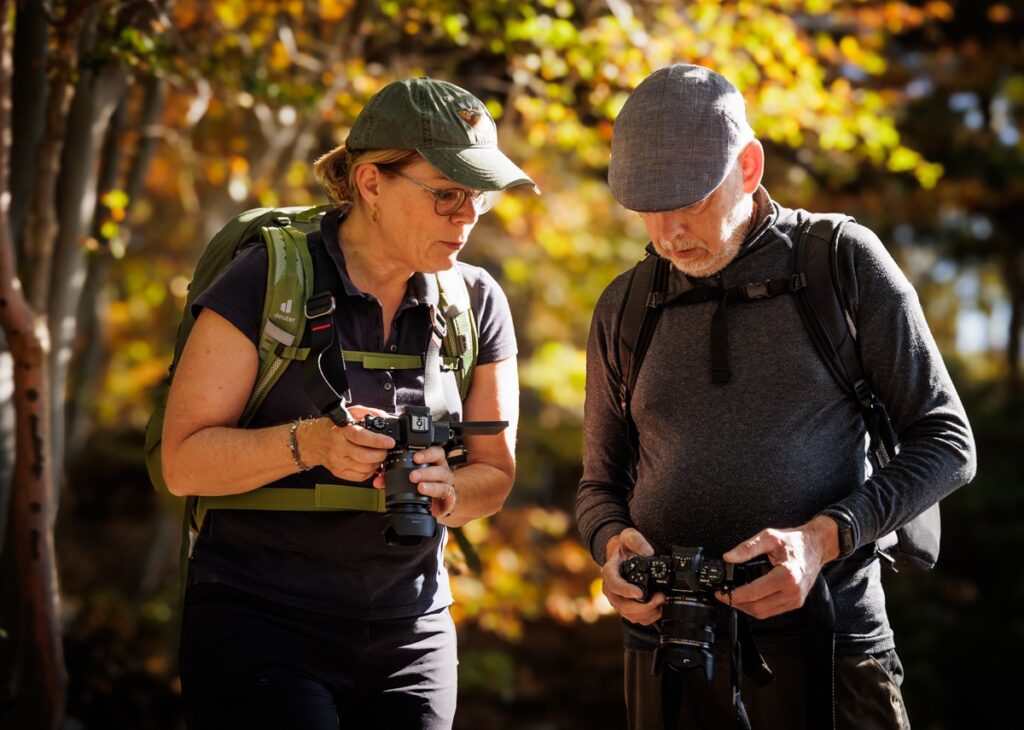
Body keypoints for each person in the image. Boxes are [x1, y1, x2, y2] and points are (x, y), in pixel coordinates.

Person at [575, 64, 976, 730]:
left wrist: (821, 541)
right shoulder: (624, 305)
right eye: (648, 206)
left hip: (832, 650)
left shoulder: (842, 263)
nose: (668, 231)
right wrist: (611, 546)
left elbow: (948, 442)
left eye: (690, 199)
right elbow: (598, 486)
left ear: (750, 166)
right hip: (669, 660)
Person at [161, 77, 534, 730]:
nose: (466, 215)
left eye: (476, 196)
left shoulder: (476, 303)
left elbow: (494, 476)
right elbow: (183, 463)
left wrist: (451, 489)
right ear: (370, 183)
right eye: (446, 192)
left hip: (412, 629)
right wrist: (310, 444)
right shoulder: (266, 280)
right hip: (258, 618)